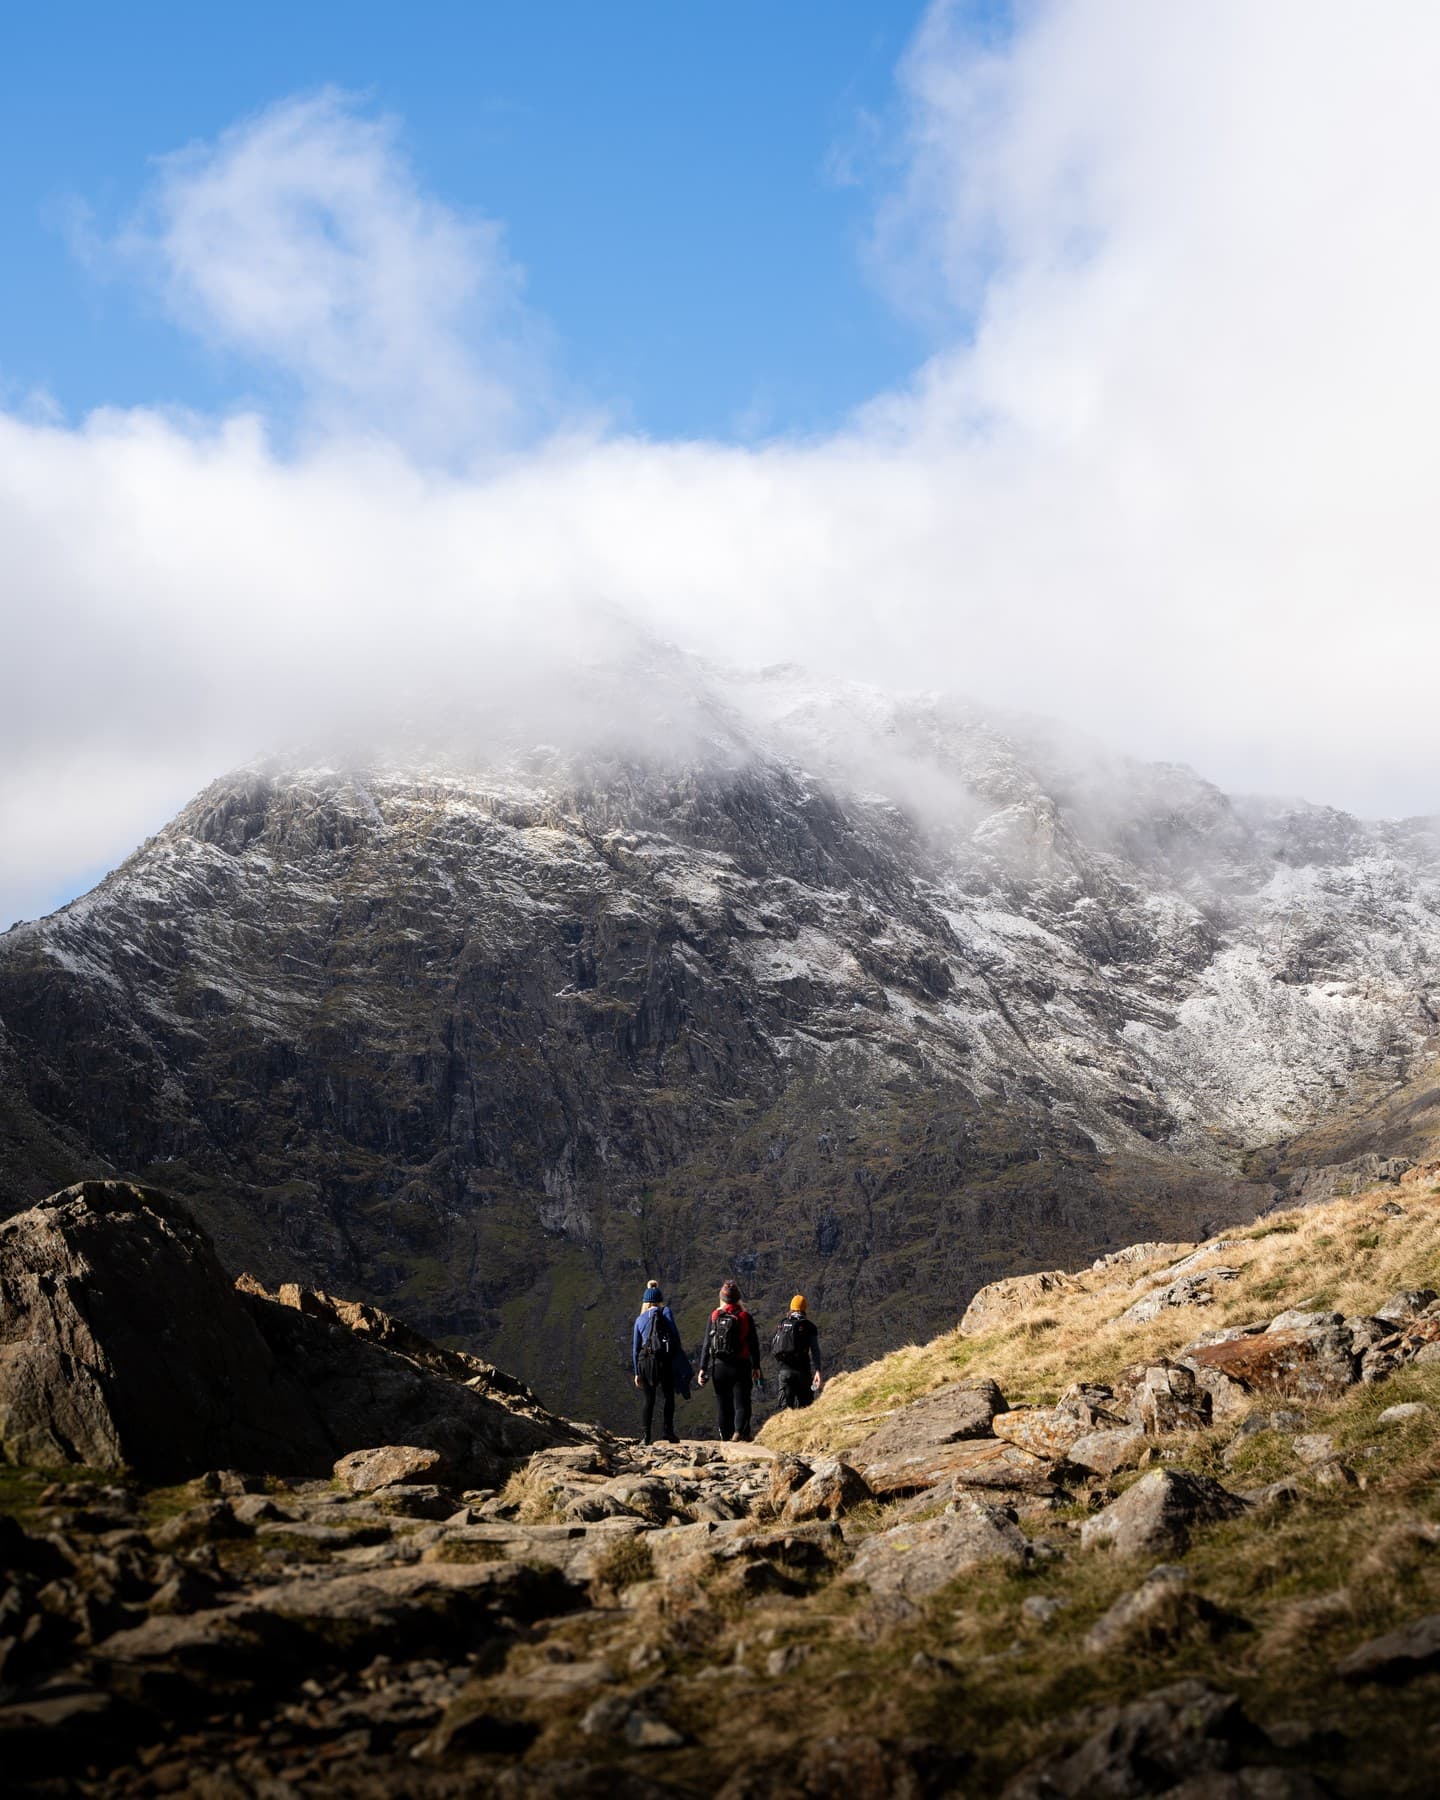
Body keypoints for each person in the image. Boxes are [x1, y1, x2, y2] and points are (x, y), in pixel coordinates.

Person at [697, 1279, 764, 1441]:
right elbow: (753, 1344)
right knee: (742, 1402)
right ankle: (739, 1432)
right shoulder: (744, 1316)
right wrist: (756, 1367)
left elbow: (707, 1344)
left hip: (719, 1367)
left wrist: (702, 1369)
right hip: (740, 1365)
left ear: (722, 1298)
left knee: (723, 1404)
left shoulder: (714, 1316)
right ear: (738, 1298)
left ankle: (725, 1438)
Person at [632, 1280, 684, 1445]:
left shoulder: (640, 1319)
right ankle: (668, 1432)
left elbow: (635, 1348)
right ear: (660, 1300)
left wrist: (636, 1372)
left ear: (645, 1302)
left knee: (649, 1399)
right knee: (669, 1397)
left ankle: (645, 1437)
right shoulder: (665, 1312)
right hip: (664, 1361)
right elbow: (675, 1336)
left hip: (645, 1361)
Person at [770, 1294, 823, 1409]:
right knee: (806, 1407)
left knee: (784, 1411)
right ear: (804, 1309)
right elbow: (815, 1350)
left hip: (785, 1372)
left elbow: (774, 1346)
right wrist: (818, 1370)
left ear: (791, 1308)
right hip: (803, 1373)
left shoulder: (782, 1324)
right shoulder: (809, 1326)